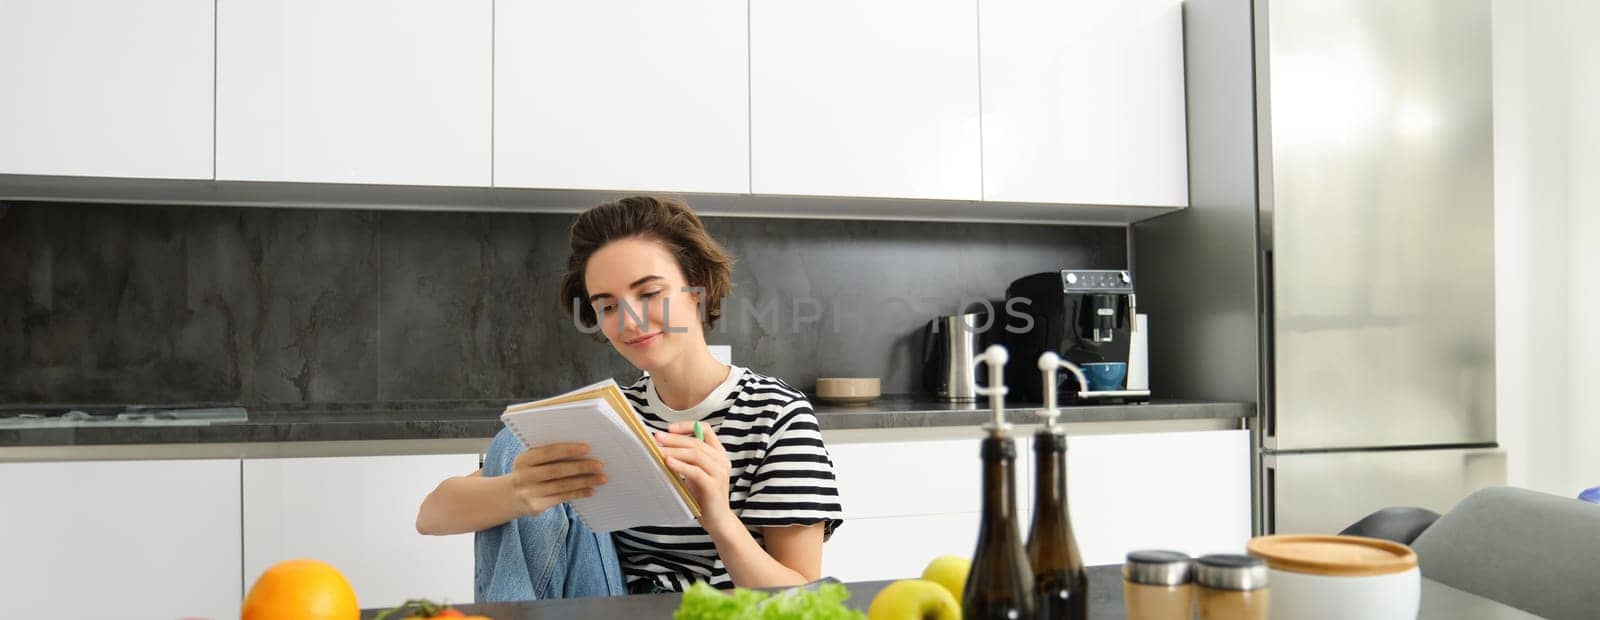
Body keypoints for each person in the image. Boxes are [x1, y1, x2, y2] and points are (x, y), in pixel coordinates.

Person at [416, 195, 843, 598]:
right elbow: (431, 517)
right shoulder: (609, 415)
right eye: (607, 305)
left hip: (712, 610)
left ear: (698, 287)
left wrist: (717, 517)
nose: (631, 320)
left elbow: (801, 598)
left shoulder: (776, 415)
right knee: (515, 447)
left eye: (649, 293)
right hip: (608, 601)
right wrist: (521, 492)